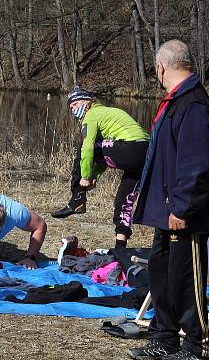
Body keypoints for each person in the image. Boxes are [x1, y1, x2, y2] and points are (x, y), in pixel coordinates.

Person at [127, 39, 209, 360]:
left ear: (161, 67)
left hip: (185, 215)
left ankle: (197, 346)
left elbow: (195, 165)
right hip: (164, 211)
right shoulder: (175, 102)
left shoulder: (193, 105)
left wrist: (182, 208)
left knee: (187, 280)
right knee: (162, 273)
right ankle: (164, 336)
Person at [51, 87, 149, 250]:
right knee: (123, 201)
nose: (73, 109)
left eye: (75, 104)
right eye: (70, 108)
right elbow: (107, 150)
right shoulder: (106, 113)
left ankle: (77, 198)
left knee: (83, 147)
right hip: (146, 154)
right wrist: (96, 173)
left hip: (132, 147)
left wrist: (86, 176)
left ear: (88, 101)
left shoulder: (92, 115)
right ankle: (120, 248)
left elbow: (89, 149)